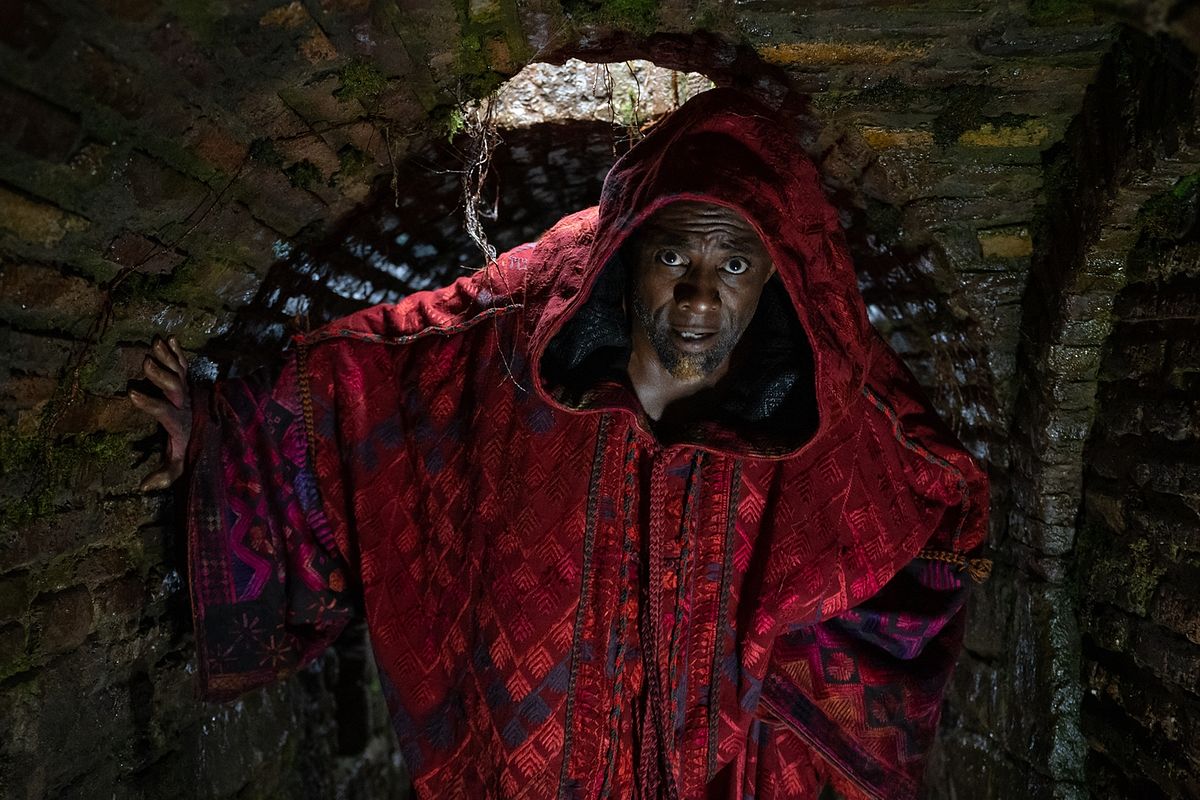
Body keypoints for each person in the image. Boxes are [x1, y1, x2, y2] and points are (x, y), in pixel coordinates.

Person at [131, 89, 991, 799]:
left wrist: (791, 666)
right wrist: (218, 428)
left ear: (772, 273)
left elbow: (926, 505)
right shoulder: (527, 324)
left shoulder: (824, 396)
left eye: (733, 266)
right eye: (674, 260)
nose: (698, 298)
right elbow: (380, 370)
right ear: (632, 252)